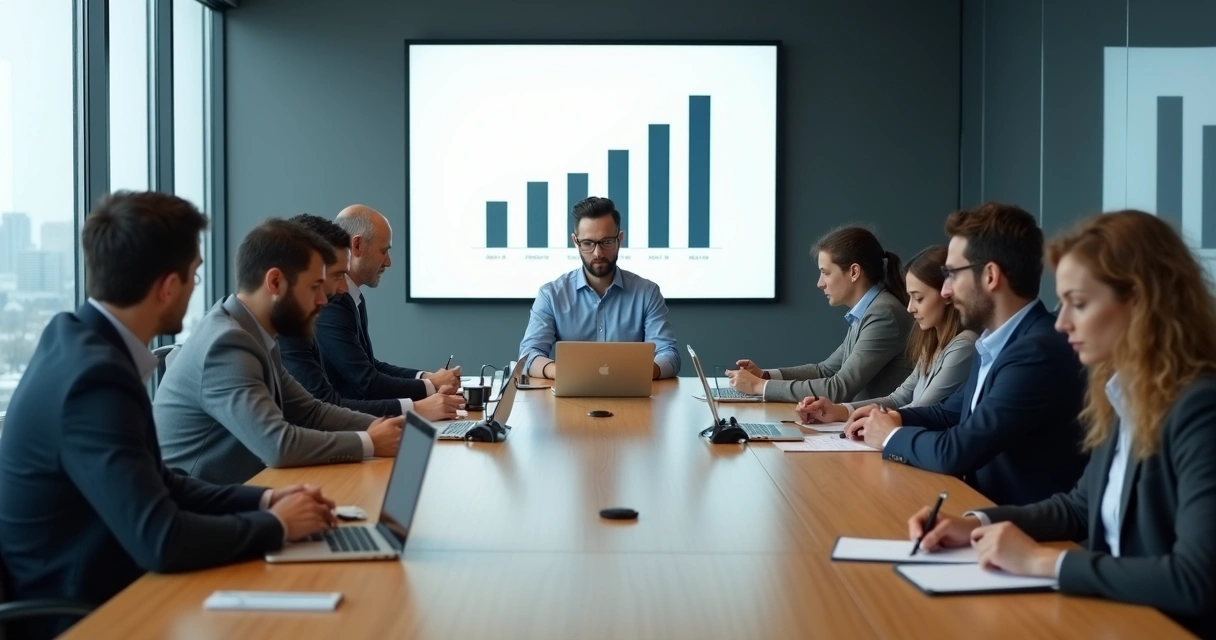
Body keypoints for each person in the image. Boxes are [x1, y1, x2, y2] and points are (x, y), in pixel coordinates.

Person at [0, 192, 337, 640]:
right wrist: (276, 526)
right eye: (194, 275)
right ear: (167, 287)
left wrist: (261, 501)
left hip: (107, 580)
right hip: (85, 611)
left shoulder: (76, 341)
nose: (198, 287)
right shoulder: (95, 382)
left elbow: (160, 480)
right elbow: (160, 540)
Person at [908, 211, 1216, 638]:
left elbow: (1196, 580)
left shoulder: (1199, 408)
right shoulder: (1122, 394)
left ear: (1140, 301)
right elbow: (1078, 508)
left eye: (1080, 303)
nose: (1061, 322)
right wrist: (976, 523)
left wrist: (1041, 562)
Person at [848, 202, 1087, 506]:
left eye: (951, 274)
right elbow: (948, 412)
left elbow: (956, 451)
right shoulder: (994, 340)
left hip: (1029, 532)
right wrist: (894, 417)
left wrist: (890, 436)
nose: (945, 290)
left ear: (990, 276)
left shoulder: (1036, 351)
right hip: (985, 518)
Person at [154, 219, 405, 485]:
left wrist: (381, 428)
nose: (324, 299)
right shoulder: (226, 344)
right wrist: (369, 442)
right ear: (275, 282)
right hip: (202, 509)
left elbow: (311, 412)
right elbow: (278, 445)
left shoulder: (252, 332)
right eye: (314, 286)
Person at [277, 214, 463, 420]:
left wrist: (427, 385)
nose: (342, 288)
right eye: (336, 276)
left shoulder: (296, 325)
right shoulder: (284, 332)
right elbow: (326, 407)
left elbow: (322, 407)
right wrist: (419, 405)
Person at [728, 226, 913, 403]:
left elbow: (839, 388)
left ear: (854, 272)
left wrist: (760, 386)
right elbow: (826, 370)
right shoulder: (869, 310)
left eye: (826, 273)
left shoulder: (883, 314)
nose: (820, 283)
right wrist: (764, 376)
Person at [797, 245, 977, 423]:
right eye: (910, 297)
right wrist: (839, 410)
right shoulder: (932, 342)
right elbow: (898, 399)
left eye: (919, 298)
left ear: (947, 294)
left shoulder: (964, 346)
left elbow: (921, 409)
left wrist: (870, 419)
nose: (910, 308)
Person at [518, 196, 680, 380]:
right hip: (567, 400)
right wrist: (560, 372)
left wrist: (639, 373)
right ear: (575, 241)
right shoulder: (551, 295)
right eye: (588, 243)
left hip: (633, 399)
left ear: (620, 239)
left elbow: (669, 354)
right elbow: (529, 354)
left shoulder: (647, 293)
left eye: (606, 242)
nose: (598, 253)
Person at [315, 204, 462, 401]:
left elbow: (370, 366)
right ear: (357, 245)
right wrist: (431, 385)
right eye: (383, 251)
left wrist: (426, 378)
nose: (388, 262)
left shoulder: (353, 297)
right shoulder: (334, 301)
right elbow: (367, 382)